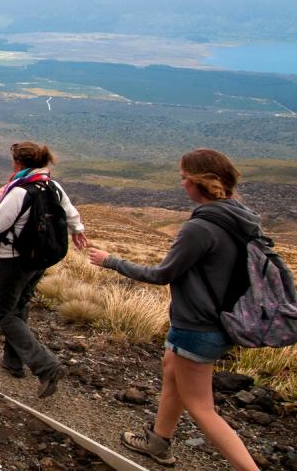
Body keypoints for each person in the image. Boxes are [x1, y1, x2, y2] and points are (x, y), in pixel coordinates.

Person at [87, 150, 260, 470]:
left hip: (197, 326)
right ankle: (158, 442)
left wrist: (111, 261)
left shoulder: (201, 228)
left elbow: (161, 274)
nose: (181, 184)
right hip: (223, 320)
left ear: (198, 182)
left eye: (183, 178)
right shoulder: (239, 216)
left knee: (201, 408)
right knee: (171, 369)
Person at [0, 141, 87, 398]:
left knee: (3, 313)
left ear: (18, 163)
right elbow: (71, 213)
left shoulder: (20, 191)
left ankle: (46, 366)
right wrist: (78, 232)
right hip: (41, 259)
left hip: (15, 259)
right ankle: (12, 361)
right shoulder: (51, 185)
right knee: (19, 306)